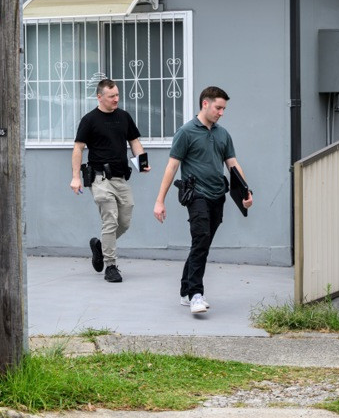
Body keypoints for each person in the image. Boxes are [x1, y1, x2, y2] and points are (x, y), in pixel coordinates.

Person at [153, 86, 253, 314]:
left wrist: (247, 191)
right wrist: (160, 201)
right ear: (205, 104)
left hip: (218, 195)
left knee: (202, 244)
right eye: (218, 107)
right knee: (201, 238)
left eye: (224, 109)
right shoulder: (186, 132)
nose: (221, 112)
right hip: (196, 194)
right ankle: (196, 294)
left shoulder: (222, 134)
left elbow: (233, 165)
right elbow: (172, 166)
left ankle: (184, 291)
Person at [70, 79, 149, 283]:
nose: (116, 99)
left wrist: (142, 162)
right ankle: (111, 266)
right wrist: (75, 177)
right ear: (99, 97)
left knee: (124, 221)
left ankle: (99, 246)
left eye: (117, 95)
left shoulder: (123, 117)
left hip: (120, 178)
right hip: (99, 178)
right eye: (112, 96)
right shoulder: (90, 120)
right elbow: (78, 148)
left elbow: (134, 141)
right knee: (111, 218)